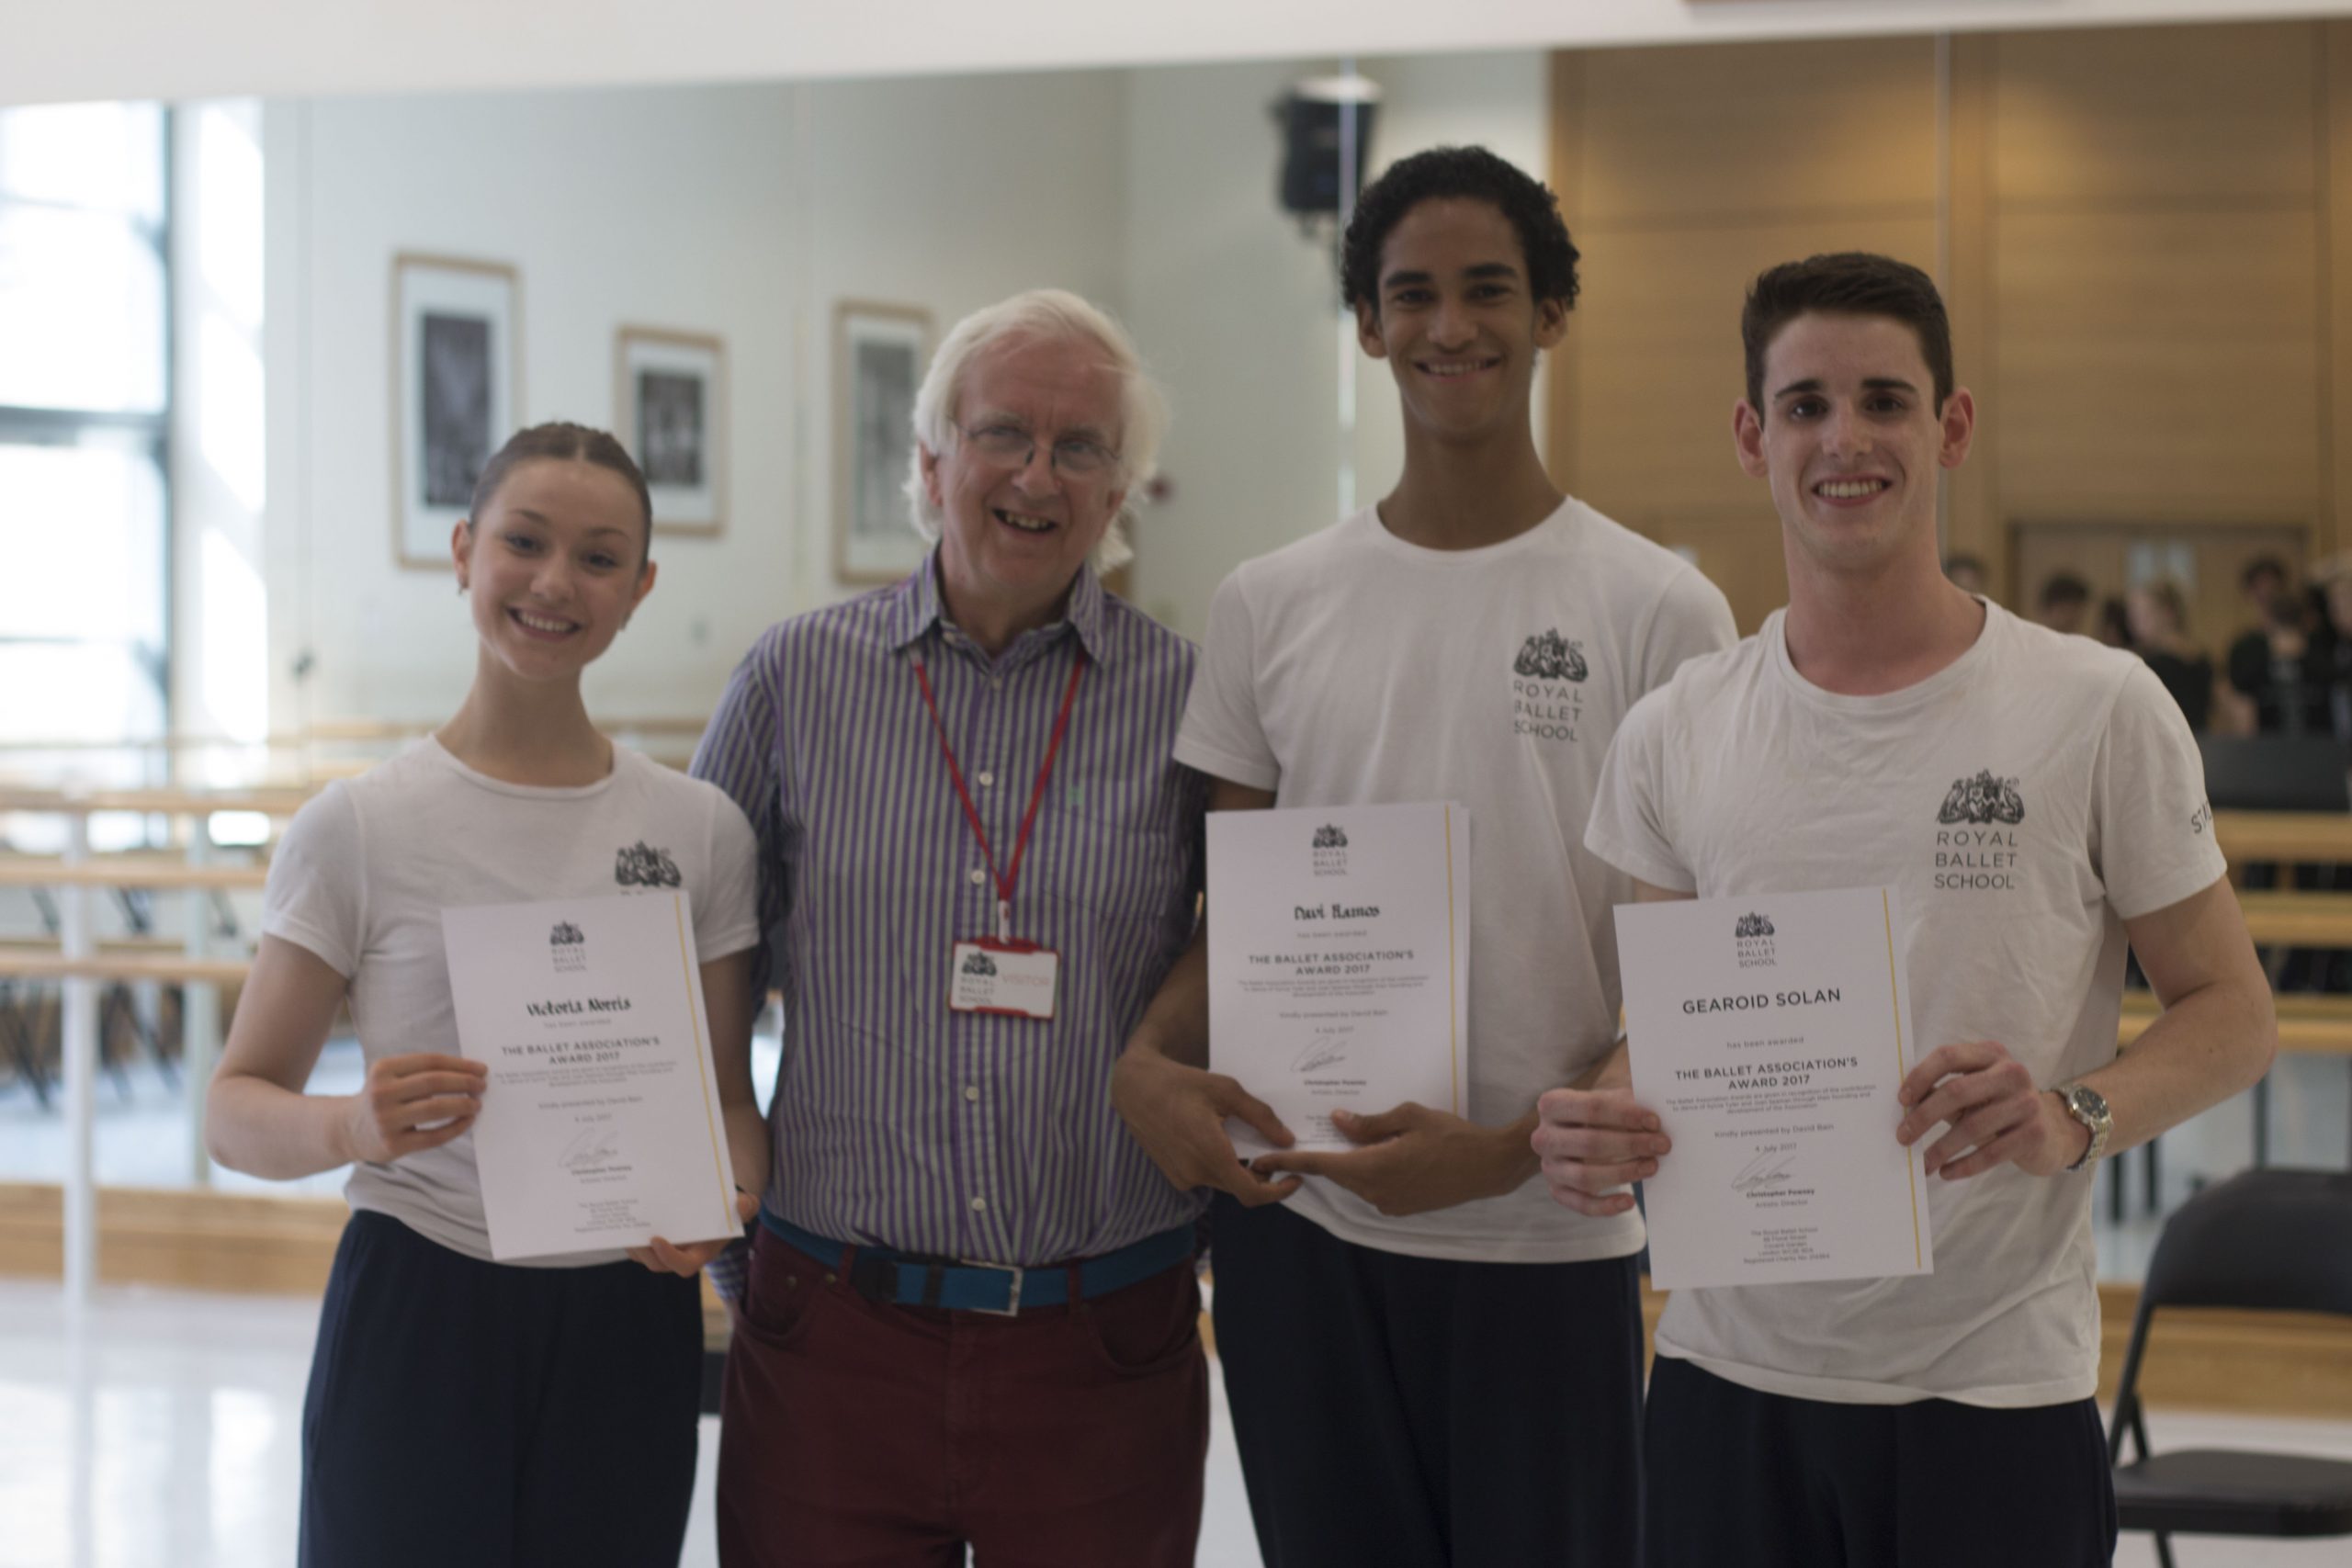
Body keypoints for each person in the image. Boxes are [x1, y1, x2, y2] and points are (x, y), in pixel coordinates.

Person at [1536, 253, 2277, 1567]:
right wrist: (1606, 1108)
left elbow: (2232, 1013)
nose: (1847, 439)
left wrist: (2070, 1114)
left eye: (1885, 399)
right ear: (1754, 438)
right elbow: (1665, 1025)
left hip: (1990, 1388)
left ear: (1952, 425)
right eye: (1807, 404)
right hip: (1724, 1379)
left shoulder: (2095, 706)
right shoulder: (1676, 731)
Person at [1113, 145, 1736, 1567]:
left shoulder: (1662, 609)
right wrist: (1149, 1053)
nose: (1450, 326)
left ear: (1553, 314)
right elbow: (1239, 915)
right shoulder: (1268, 603)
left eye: (1488, 290)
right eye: (1413, 296)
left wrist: (1509, 1148)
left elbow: (1686, 978)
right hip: (1299, 1239)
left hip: (1543, 1241)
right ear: (1367, 326)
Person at [693, 288, 1211, 1567]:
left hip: (1104, 1334)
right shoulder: (791, 679)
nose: (1039, 474)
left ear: (1121, 488)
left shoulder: (1194, 701)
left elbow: (1259, 950)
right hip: (834, 1336)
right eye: (1003, 434)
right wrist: (710, 1183)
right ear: (930, 464)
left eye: (1082, 445)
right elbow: (688, 947)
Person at [205, 423, 768, 1568]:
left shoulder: (697, 829)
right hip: (420, 1297)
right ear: (464, 551)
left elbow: (727, 1108)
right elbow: (232, 1106)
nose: (556, 582)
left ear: (641, 589)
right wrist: (351, 1125)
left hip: (626, 1312)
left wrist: (727, 1201)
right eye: (524, 541)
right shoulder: (358, 827)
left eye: (601, 558)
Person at [2220, 555, 2332, 735]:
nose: (2266, 593)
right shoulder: (2245, 648)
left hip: (2321, 747)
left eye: (2272, 588)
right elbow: (2240, 704)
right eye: (2259, 588)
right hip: (2267, 749)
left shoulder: (2318, 645)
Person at [2125, 579, 2212, 731]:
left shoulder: (2154, 666)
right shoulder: (2201, 657)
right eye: (2133, 618)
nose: (2135, 626)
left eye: (2144, 615)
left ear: (2168, 613)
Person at [2033, 570, 2089, 635]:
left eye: (2077, 610)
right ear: (2047, 609)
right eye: (2065, 610)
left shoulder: (2080, 642)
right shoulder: (2029, 641)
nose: (2071, 617)